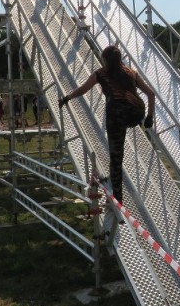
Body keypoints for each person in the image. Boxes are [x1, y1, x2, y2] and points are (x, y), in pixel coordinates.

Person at [59, 45, 155, 205]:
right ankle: (115, 184)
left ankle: (117, 199)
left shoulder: (102, 73)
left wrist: (67, 98)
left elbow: (83, 89)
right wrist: (149, 117)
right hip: (136, 113)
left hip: (116, 115)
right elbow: (150, 94)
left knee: (116, 158)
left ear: (105, 59)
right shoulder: (132, 72)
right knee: (122, 132)